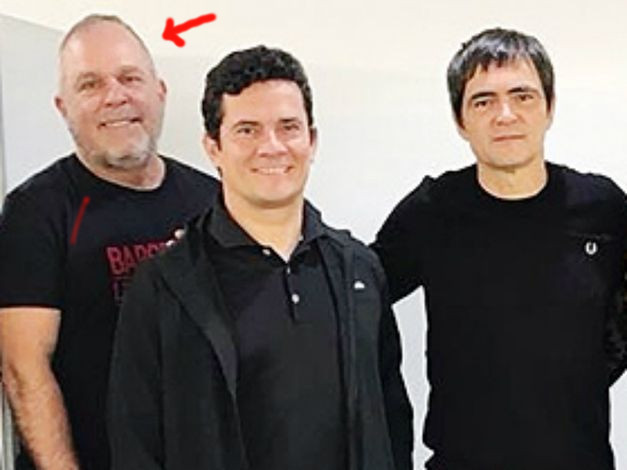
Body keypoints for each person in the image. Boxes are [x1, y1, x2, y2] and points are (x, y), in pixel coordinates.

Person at [108, 45, 413, 470]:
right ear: (213, 147)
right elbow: (135, 442)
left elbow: (393, 426)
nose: (272, 147)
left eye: (288, 127)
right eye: (247, 130)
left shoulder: (358, 271)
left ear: (312, 140)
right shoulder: (165, 285)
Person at [373, 28, 627, 469]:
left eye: (522, 96)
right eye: (483, 101)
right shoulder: (432, 212)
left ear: (549, 107)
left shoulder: (603, 207)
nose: (505, 115)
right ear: (460, 121)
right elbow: (352, 296)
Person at [0, 15, 218, 470]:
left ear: (160, 91)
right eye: (90, 84)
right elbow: (24, 369)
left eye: (130, 78)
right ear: (63, 107)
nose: (115, 96)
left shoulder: (213, 201)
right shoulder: (36, 211)